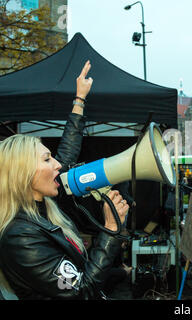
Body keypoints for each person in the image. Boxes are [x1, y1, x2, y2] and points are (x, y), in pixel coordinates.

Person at [0, 61, 130, 300]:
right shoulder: (20, 238)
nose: (58, 165)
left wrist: (79, 99)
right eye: (47, 159)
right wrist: (111, 230)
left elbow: (67, 154)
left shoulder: (41, 208)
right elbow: (80, 292)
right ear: (24, 173)